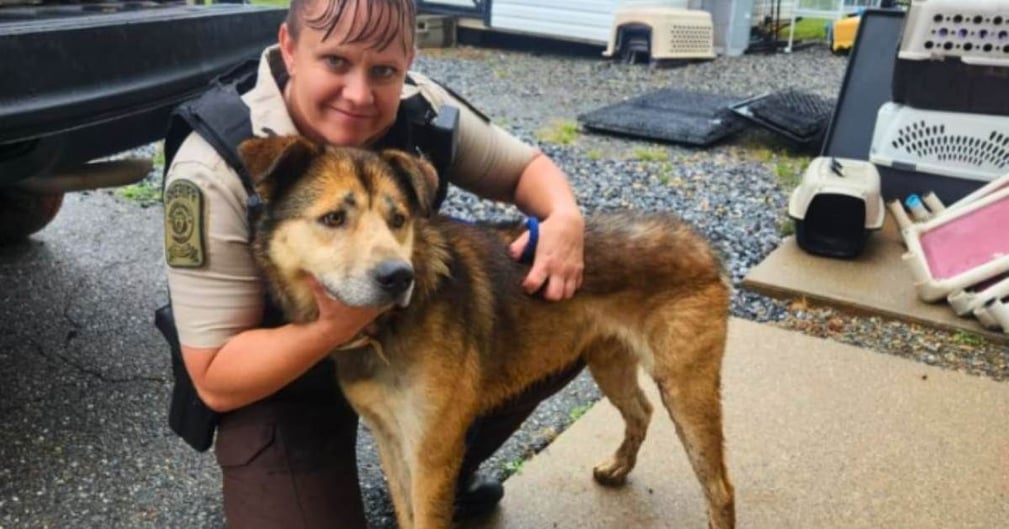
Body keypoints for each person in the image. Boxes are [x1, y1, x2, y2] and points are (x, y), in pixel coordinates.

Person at [162, 0, 586, 526]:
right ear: (290, 49)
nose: (360, 95)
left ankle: (443, 463)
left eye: (383, 70)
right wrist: (332, 327)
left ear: (407, 62)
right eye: (336, 61)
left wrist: (566, 216)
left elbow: (527, 168)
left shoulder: (419, 108)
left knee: (559, 321)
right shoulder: (214, 167)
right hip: (279, 385)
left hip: (400, 347)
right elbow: (214, 377)